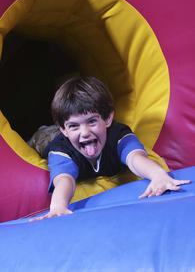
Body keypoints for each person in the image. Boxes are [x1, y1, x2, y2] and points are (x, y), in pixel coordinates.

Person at [35, 76, 190, 220]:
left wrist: (158, 175)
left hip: (77, 134)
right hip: (51, 137)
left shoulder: (118, 135)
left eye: (92, 122)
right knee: (43, 138)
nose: (85, 133)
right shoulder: (61, 150)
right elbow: (64, 179)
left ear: (108, 119)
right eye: (74, 126)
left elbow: (136, 158)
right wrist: (58, 206)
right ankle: (44, 131)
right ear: (64, 129)